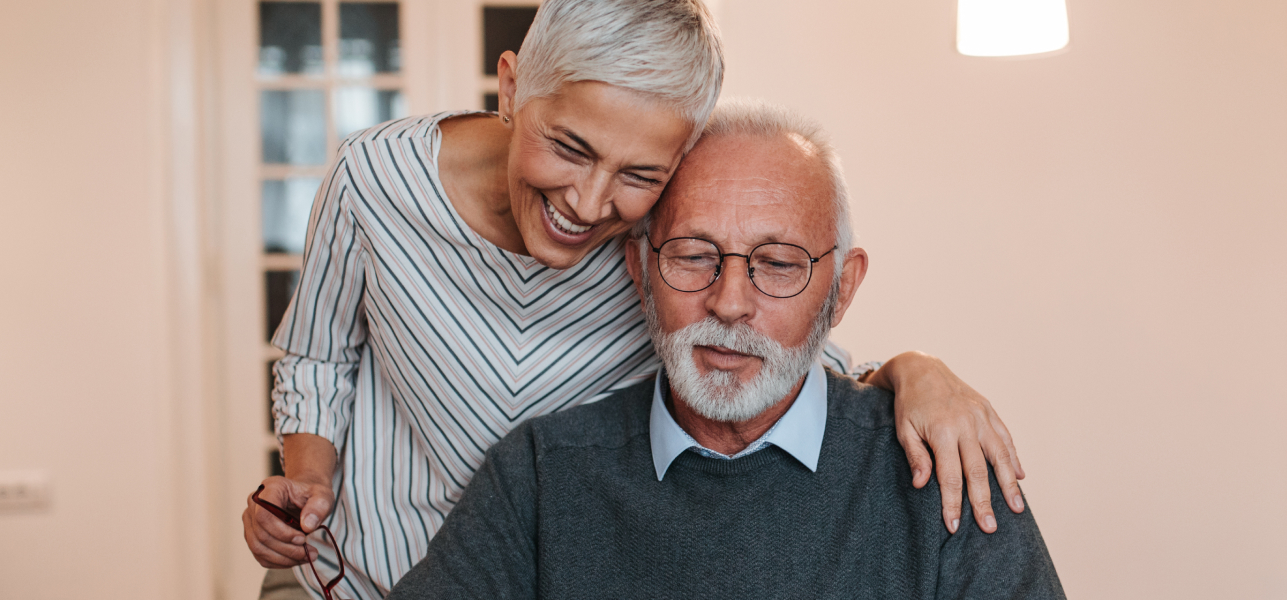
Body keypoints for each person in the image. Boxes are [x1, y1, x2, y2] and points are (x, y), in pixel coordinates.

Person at [242, 2, 1029, 598]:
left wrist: (916, 372)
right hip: (358, 565)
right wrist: (306, 485)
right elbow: (317, 352)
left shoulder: (663, 235)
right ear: (511, 88)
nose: (587, 202)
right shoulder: (377, 178)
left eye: (639, 173)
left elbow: (773, 345)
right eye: (569, 147)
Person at [388, 100, 1064, 600]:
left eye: (777, 264)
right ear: (639, 269)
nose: (730, 302)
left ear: (842, 288)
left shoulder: (944, 470)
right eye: (693, 255)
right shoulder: (540, 477)